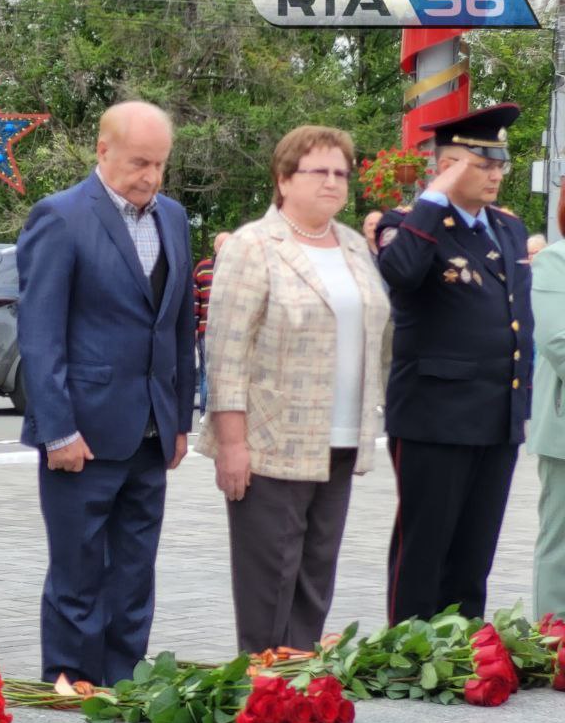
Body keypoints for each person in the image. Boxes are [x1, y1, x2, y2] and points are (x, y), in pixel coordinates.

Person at [17, 101, 195, 688]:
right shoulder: (61, 217)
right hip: (83, 435)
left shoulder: (172, 217)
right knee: (78, 571)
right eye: (139, 163)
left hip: (151, 431)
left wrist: (181, 419)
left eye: (160, 165)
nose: (150, 177)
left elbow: (177, 324)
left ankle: (126, 684)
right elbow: (40, 335)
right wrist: (57, 429)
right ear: (102, 150)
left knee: (136, 571)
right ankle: (68, 684)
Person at [199, 125, 390, 653]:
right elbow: (226, 352)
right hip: (270, 440)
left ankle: (303, 679)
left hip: (343, 435)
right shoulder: (253, 245)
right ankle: (262, 683)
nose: (333, 183)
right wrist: (232, 444)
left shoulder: (353, 245)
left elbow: (378, 334)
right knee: (271, 577)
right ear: (284, 179)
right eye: (319, 171)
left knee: (316, 571)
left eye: (341, 173)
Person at [376, 104, 532, 624]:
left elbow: (514, 316)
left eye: (499, 164)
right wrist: (433, 197)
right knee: (426, 545)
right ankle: (406, 650)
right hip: (435, 414)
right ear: (445, 166)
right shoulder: (410, 224)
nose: (494, 174)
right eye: (480, 163)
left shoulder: (508, 230)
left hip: (495, 412)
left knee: (475, 548)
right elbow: (400, 275)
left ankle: (464, 648)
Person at [527, 200, 565, 619]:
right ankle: (556, 642)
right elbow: (559, 341)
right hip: (563, 429)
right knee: (561, 545)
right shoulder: (556, 261)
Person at [194, 231, 227, 413]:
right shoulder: (202, 268)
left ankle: (223, 412)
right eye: (222, 245)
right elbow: (194, 300)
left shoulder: (240, 269)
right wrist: (193, 327)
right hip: (207, 329)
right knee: (208, 372)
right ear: (215, 247)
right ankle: (205, 412)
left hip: (232, 332)